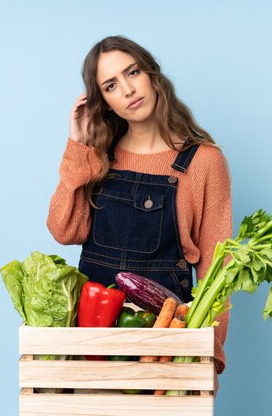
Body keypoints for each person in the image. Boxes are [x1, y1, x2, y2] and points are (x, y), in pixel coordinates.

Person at [46, 35, 232, 384]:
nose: (129, 90)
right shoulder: (98, 157)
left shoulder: (204, 162)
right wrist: (77, 147)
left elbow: (218, 270)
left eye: (132, 73)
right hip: (92, 342)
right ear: (105, 102)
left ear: (152, 75)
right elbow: (63, 229)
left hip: (166, 342)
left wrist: (209, 354)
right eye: (112, 85)